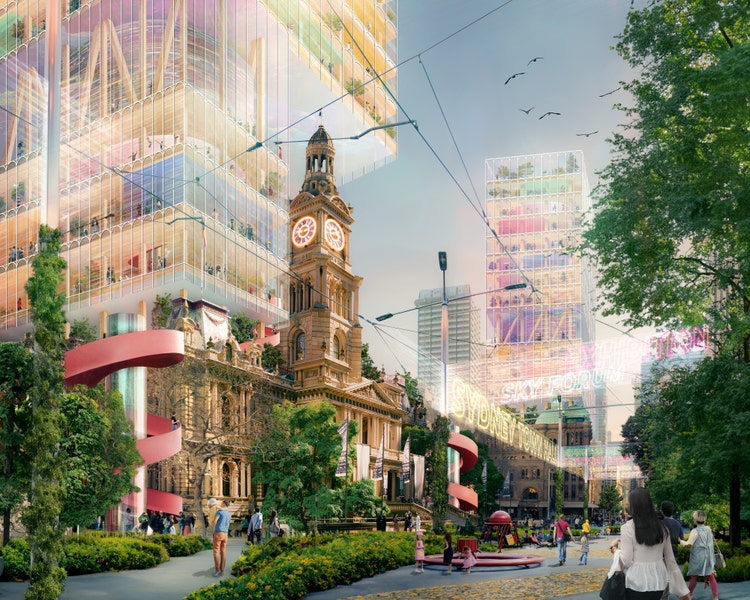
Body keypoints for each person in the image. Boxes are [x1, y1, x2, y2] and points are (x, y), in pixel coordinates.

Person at [619, 487, 691, 600]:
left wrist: (615, 551)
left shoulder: (627, 528)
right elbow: (671, 561)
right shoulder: (662, 528)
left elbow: (626, 561)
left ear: (633, 506)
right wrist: (683, 591)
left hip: (635, 581)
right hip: (658, 581)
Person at [679, 510, 718, 600]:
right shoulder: (708, 529)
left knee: (694, 577)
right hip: (708, 557)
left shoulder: (695, 531)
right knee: (711, 577)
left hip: (698, 558)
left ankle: (689, 596)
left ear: (695, 520)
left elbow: (688, 544)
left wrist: (680, 541)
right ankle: (715, 597)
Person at [212, 500, 231, 577]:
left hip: (218, 532)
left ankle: (217, 570)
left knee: (216, 551)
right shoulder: (229, 514)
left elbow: (215, 521)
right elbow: (228, 525)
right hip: (225, 533)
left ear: (223, 504)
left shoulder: (219, 512)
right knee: (223, 551)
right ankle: (222, 569)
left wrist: (213, 525)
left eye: (221, 503)